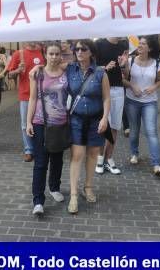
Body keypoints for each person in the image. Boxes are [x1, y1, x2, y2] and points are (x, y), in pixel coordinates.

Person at [65, 39, 110, 214]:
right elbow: (50, 67)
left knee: (92, 153)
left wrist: (105, 118)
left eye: (83, 49)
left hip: (95, 119)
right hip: (76, 120)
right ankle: (74, 194)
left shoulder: (100, 73)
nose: (79, 52)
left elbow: (106, 98)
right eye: (76, 49)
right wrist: (37, 69)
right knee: (77, 155)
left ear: (91, 52)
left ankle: (88, 186)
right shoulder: (70, 69)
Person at [26, 42, 68, 215]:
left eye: (57, 54)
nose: (54, 57)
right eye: (51, 54)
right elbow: (33, 98)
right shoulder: (38, 74)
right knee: (41, 162)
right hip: (40, 122)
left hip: (60, 123)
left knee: (57, 159)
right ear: (45, 54)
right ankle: (38, 200)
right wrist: (28, 122)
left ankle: (54, 187)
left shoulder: (66, 72)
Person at [122, 36, 160, 176]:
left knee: (151, 131)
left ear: (150, 48)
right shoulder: (130, 60)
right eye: (139, 43)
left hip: (150, 102)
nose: (139, 45)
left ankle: (156, 164)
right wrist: (132, 85)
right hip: (132, 100)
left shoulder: (157, 63)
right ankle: (134, 153)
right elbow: (123, 78)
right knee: (134, 130)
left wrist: (153, 87)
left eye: (143, 44)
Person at [94, 37, 129, 175]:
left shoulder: (124, 44)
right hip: (102, 89)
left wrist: (125, 64)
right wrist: (104, 68)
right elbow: (90, 67)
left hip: (118, 89)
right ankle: (100, 158)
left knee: (114, 126)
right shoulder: (99, 44)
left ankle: (109, 159)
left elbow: (126, 74)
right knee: (103, 125)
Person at [6, 42, 45, 162]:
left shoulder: (43, 51)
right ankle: (29, 150)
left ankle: (41, 146)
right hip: (26, 94)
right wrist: (18, 70)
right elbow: (9, 75)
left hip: (43, 94)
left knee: (42, 122)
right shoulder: (19, 53)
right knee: (25, 124)